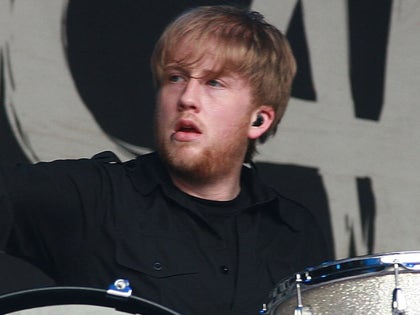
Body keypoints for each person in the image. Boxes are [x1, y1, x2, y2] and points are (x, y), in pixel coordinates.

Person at [0, 5, 331, 315]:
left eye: (214, 83)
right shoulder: (93, 196)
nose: (187, 98)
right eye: (176, 78)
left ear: (259, 120)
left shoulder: (295, 232)